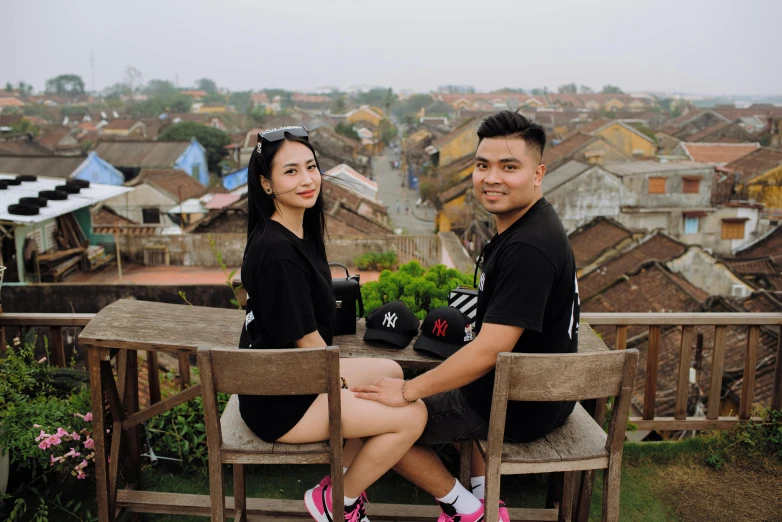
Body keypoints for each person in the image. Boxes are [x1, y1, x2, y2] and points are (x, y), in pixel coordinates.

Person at [354, 111, 580, 522]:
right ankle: (487, 501)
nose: (491, 177)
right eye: (483, 165)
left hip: (514, 404)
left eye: (509, 167)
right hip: (543, 394)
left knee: (377, 420)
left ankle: (467, 510)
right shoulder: (529, 226)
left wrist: (407, 393)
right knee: (406, 393)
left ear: (537, 173)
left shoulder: (529, 247)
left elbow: (489, 350)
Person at [239, 126, 428, 522]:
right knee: (412, 415)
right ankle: (337, 503)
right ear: (266, 183)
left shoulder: (297, 230)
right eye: (290, 172)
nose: (307, 179)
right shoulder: (277, 252)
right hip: (281, 400)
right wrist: (346, 383)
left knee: (392, 371)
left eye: (311, 167)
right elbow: (304, 339)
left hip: (289, 375)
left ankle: (338, 485)